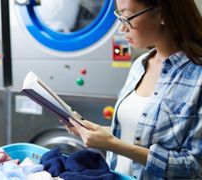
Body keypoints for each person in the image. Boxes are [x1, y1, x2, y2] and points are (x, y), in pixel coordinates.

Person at [62, 0, 202, 179]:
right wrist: (91, 129)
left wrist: (114, 145)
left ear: (161, 14)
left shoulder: (198, 77)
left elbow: (194, 166)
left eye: (127, 17)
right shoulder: (140, 65)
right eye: (119, 17)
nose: (122, 29)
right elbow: (133, 133)